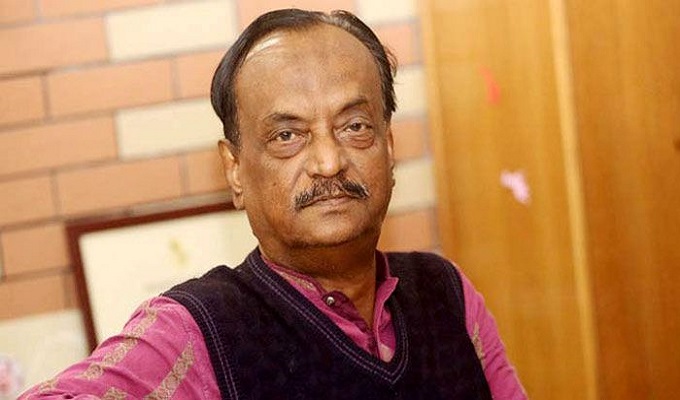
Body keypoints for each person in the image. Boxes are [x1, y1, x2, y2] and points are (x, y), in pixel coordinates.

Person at [20, 9, 526, 399]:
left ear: (389, 148)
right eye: (287, 136)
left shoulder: (445, 293)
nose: (329, 162)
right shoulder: (197, 329)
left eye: (354, 126)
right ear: (235, 170)